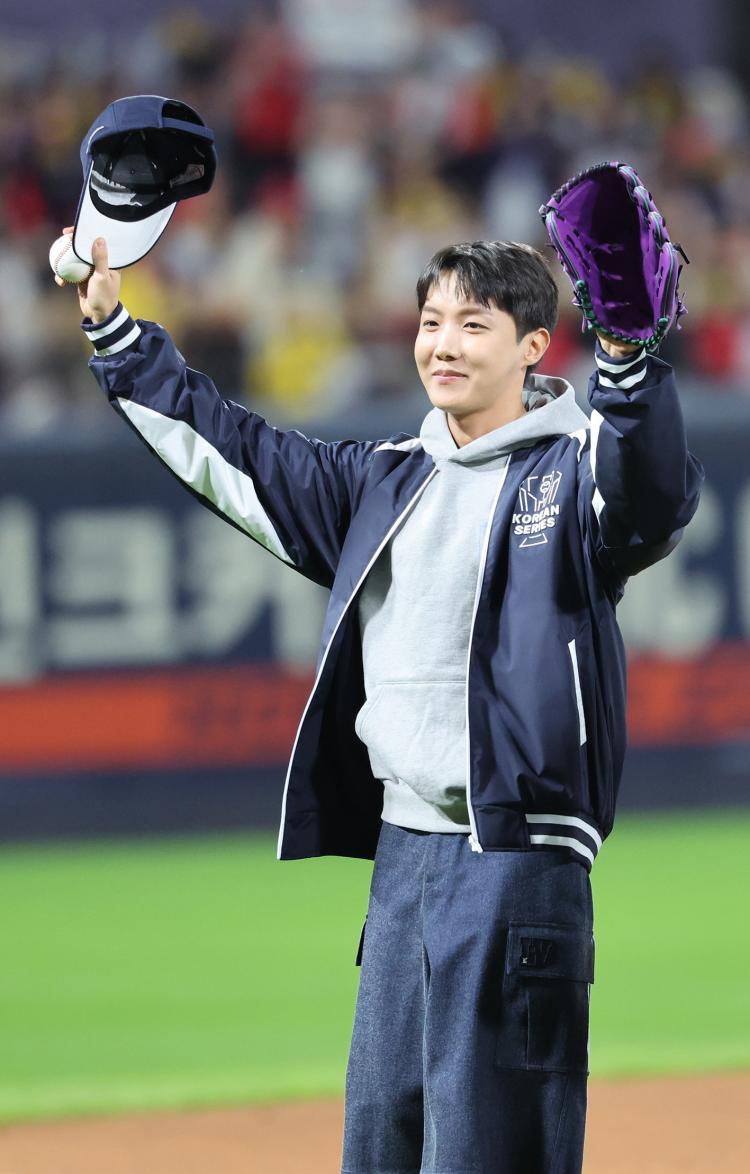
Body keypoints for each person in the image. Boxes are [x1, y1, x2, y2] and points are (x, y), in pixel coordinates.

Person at [57, 230, 702, 1173]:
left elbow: (648, 497)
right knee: (380, 1148)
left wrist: (629, 364)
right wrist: (116, 332)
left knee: (493, 1156)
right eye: (432, 321)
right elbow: (236, 454)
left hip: (516, 861)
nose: (443, 343)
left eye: (473, 324)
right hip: (403, 863)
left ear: (533, 345)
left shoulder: (570, 475)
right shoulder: (383, 480)